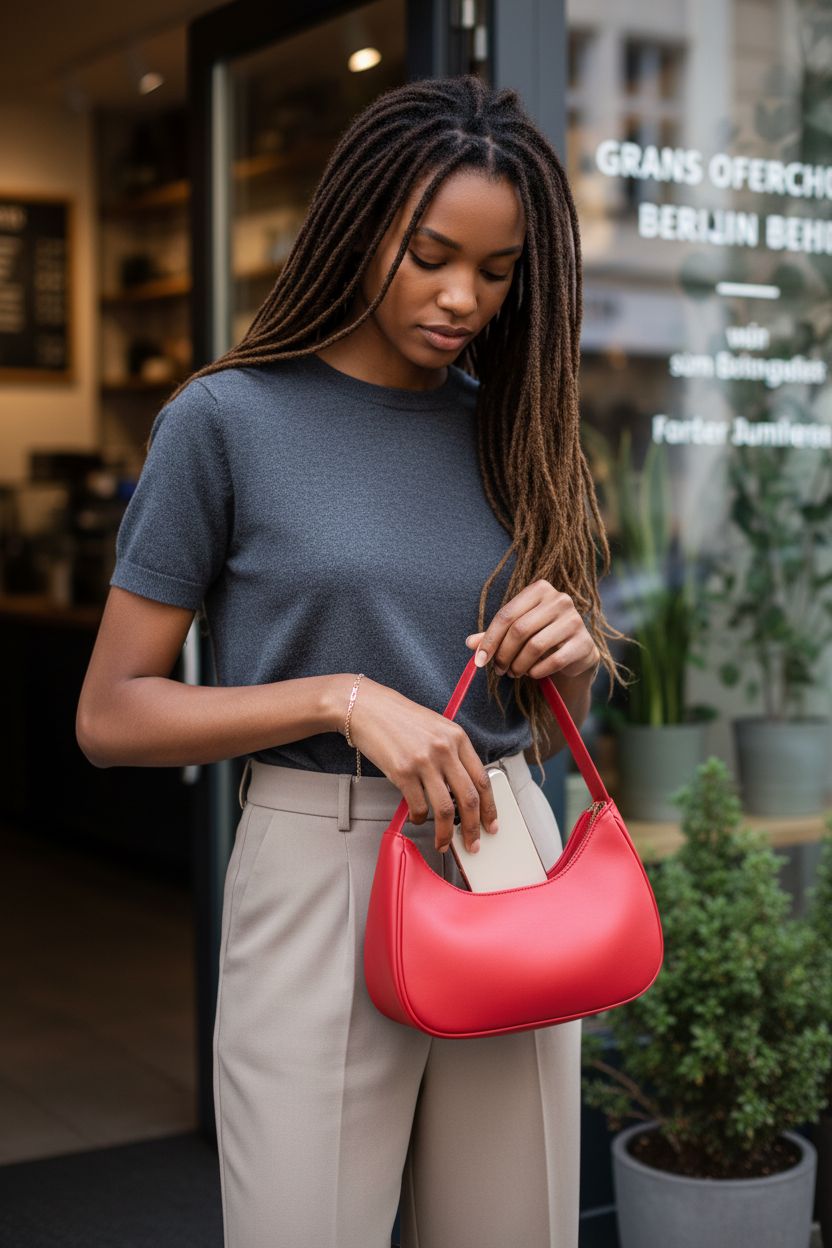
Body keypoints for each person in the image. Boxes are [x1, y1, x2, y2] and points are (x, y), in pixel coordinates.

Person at [77, 73, 628, 1248]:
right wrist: (343, 695)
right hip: (315, 861)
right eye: (430, 254)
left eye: (495, 270)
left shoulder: (514, 426)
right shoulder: (224, 423)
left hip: (505, 852)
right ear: (360, 223)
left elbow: (541, 718)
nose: (462, 298)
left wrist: (567, 650)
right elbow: (111, 714)